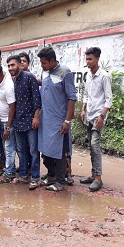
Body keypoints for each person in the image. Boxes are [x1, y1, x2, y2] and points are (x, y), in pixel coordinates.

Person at [37, 46, 77, 192]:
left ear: (52, 60)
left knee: (59, 152)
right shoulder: (44, 72)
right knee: (45, 150)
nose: (42, 66)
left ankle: (60, 181)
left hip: (59, 120)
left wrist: (67, 121)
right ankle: (51, 175)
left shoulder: (65, 72)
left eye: (44, 63)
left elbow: (72, 98)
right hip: (45, 120)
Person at [80, 47, 112, 192]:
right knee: (91, 146)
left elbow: (109, 99)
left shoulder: (104, 76)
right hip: (90, 114)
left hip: (99, 116)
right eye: (86, 59)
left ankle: (98, 178)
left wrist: (102, 116)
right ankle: (93, 175)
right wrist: (83, 109)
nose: (87, 62)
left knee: (94, 144)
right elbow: (87, 94)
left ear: (97, 59)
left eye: (90, 59)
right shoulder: (88, 76)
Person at [7, 55, 41, 190]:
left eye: (13, 65)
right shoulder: (13, 80)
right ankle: (23, 175)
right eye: (9, 66)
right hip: (18, 121)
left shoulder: (29, 77)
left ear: (20, 65)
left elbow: (36, 99)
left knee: (33, 151)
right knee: (21, 150)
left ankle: (35, 177)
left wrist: (36, 117)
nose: (11, 68)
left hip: (30, 120)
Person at [0, 63, 17, 184]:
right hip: (2, 120)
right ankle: (11, 170)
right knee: (6, 148)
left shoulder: (8, 87)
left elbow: (12, 108)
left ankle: (8, 174)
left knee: (9, 148)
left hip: (8, 122)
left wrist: (8, 127)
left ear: (1, 75)